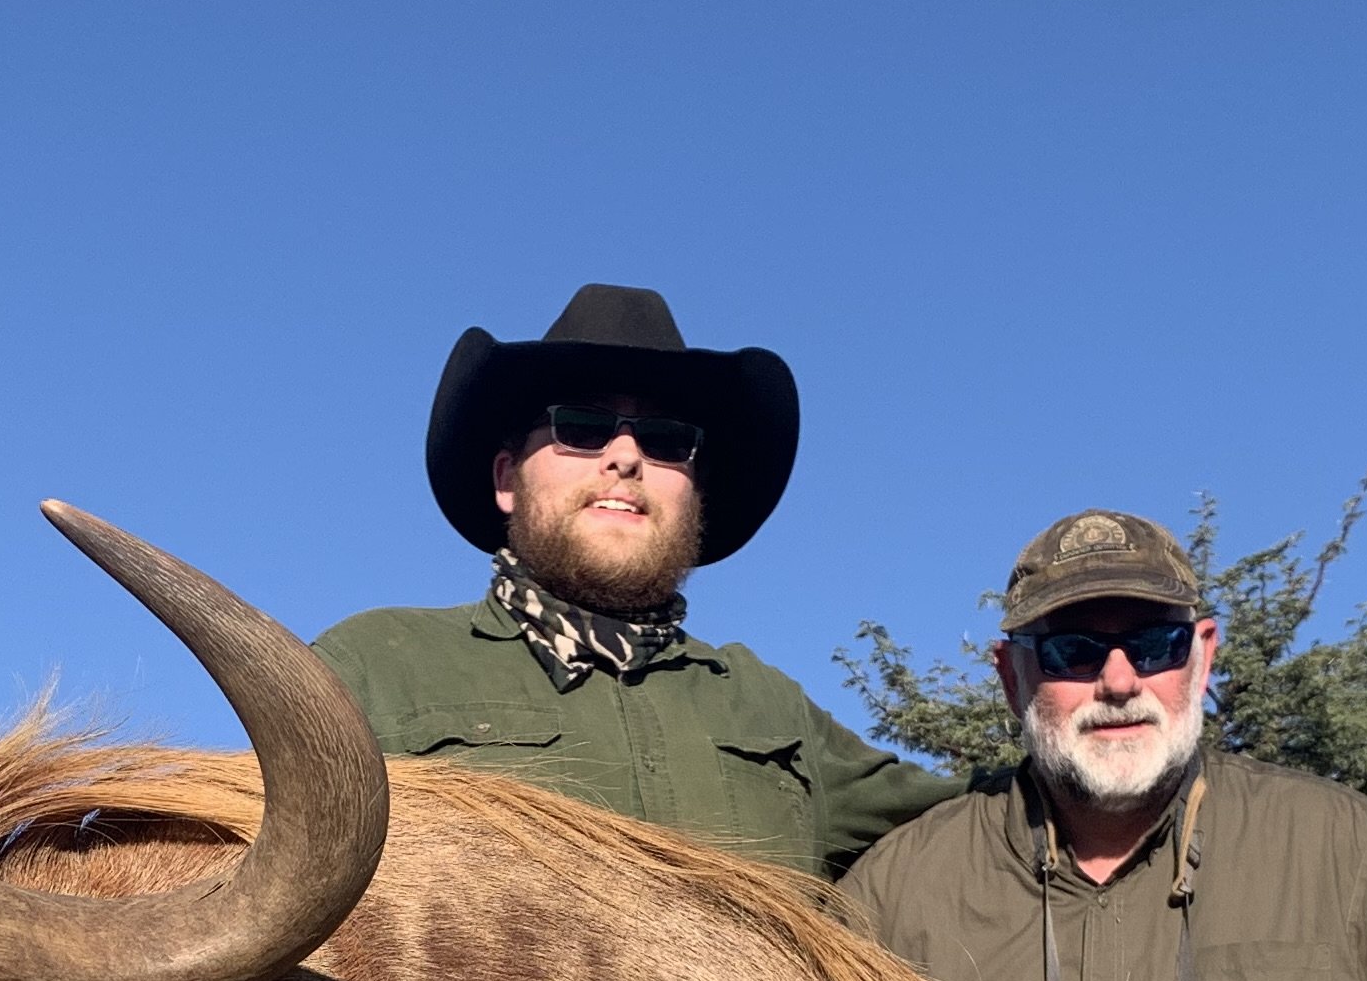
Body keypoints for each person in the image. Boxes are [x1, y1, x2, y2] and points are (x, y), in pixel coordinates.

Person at [837, 510, 1367, 981]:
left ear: (1203, 657)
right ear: (1012, 677)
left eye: (1153, 646)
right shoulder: (892, 898)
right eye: (1073, 652)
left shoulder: (1356, 852)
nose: (1119, 682)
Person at [315, 283, 952, 876]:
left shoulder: (771, 706)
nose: (625, 457)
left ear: (696, 493)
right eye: (582, 429)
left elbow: (996, 830)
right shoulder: (374, 669)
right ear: (507, 478)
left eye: (667, 441)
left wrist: (1046, 644)